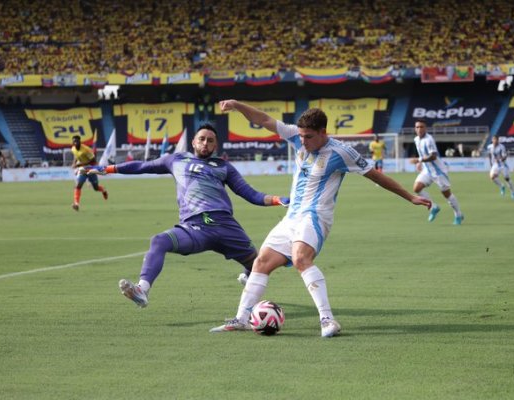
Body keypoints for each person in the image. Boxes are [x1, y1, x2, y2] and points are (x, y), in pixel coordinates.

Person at [210, 100, 431, 337]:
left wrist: (410, 196)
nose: (302, 142)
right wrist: (237, 105)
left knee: (300, 259)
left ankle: (328, 320)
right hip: (292, 217)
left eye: (308, 137)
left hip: (316, 217)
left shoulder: (342, 152)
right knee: (261, 262)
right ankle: (242, 318)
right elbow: (263, 119)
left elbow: (376, 176)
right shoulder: (296, 137)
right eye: (301, 136)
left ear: (323, 132)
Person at [83, 124, 289, 308]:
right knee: (159, 241)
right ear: (193, 142)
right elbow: (142, 166)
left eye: (210, 140)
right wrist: (107, 168)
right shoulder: (176, 159)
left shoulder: (224, 167)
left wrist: (277, 199)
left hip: (226, 226)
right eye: (202, 139)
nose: (205, 143)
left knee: (258, 264)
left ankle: (249, 275)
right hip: (194, 227)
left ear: (216, 145)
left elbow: (251, 194)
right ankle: (142, 290)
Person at [409, 119, 464, 225]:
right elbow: (423, 154)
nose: (419, 129)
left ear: (425, 128)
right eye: (417, 127)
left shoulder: (429, 140)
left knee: (446, 194)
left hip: (438, 171)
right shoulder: (416, 139)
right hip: (427, 170)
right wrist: (420, 163)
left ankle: (458, 215)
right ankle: (434, 207)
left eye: (421, 127)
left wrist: (418, 160)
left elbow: (433, 156)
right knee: (417, 188)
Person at [70, 135, 108, 211]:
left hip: (91, 169)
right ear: (73, 142)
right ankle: (76, 204)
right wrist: (74, 163)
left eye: (77, 141)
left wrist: (79, 164)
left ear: (80, 141)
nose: (75, 142)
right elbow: (76, 156)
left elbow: (93, 160)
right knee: (78, 185)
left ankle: (103, 190)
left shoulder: (86, 149)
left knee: (96, 188)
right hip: (83, 170)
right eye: (74, 141)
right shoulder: (73, 149)